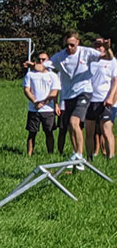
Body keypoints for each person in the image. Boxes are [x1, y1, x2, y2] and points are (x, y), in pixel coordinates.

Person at [46, 31, 100, 167]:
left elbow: (105, 56)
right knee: (71, 127)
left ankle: (80, 156)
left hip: (84, 92)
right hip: (68, 95)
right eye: (67, 45)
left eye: (72, 45)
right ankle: (75, 154)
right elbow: (46, 65)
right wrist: (33, 66)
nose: (69, 48)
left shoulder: (86, 52)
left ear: (78, 42)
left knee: (74, 121)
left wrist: (108, 48)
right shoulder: (60, 56)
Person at [22, 57, 61, 155]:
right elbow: (27, 90)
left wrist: (44, 103)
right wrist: (35, 102)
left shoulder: (53, 75)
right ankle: (29, 154)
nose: (41, 61)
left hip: (48, 109)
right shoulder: (30, 74)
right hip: (33, 109)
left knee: (49, 133)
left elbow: (55, 91)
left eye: (44, 59)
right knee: (32, 133)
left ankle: (50, 154)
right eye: (39, 59)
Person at [86, 38, 117, 159]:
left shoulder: (112, 61)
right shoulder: (90, 60)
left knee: (106, 130)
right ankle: (88, 158)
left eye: (100, 45)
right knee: (90, 132)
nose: (98, 48)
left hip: (104, 100)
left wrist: (110, 98)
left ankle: (110, 157)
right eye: (96, 45)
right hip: (89, 99)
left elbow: (115, 82)